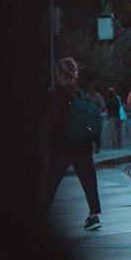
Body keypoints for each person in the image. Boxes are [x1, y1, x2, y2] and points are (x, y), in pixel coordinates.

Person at [41, 57, 102, 230]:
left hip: (63, 145)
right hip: (82, 143)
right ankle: (93, 215)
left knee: (52, 182)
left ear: (60, 74)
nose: (55, 76)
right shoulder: (80, 93)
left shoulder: (56, 94)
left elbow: (54, 122)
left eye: (56, 73)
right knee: (89, 180)